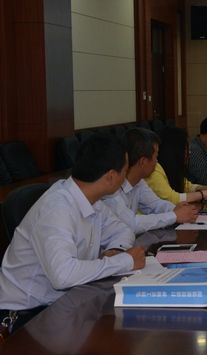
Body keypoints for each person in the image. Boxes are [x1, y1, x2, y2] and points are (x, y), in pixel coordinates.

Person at [0, 134, 144, 333]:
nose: (125, 177)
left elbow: (123, 230)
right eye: (125, 171)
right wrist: (124, 261)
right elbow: (63, 275)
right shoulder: (57, 208)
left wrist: (116, 251)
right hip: (26, 316)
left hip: (64, 303)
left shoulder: (91, 199)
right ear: (111, 176)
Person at [103, 128, 198, 234]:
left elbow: (155, 204)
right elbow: (132, 224)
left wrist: (175, 209)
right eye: (156, 157)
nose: (157, 162)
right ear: (143, 162)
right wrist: (174, 215)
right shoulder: (112, 189)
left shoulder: (139, 182)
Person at [145, 126, 207, 205]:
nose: (189, 152)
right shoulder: (154, 169)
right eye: (185, 148)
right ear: (174, 151)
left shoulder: (171, 167)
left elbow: (188, 186)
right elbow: (172, 198)